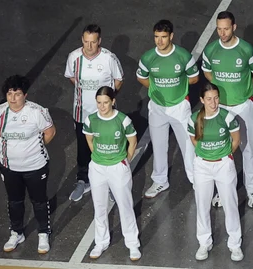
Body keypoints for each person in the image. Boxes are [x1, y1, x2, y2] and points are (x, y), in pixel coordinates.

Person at [199, 11, 253, 209]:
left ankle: (252, 190)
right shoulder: (210, 50)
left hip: (243, 106)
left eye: (226, 28)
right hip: (220, 108)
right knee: (222, 149)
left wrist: (244, 93)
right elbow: (207, 72)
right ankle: (222, 190)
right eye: (219, 29)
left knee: (248, 148)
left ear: (234, 27)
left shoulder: (246, 49)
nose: (222, 32)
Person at [0, 74, 55, 255]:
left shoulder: (37, 112)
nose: (12, 97)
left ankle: (43, 233)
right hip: (9, 167)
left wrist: (34, 149)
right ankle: (16, 232)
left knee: (39, 201)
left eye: (17, 93)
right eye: (10, 93)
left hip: (35, 166)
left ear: (25, 95)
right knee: (14, 202)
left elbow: (49, 132)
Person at [138, 18, 199, 199]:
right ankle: (160, 181)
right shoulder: (148, 57)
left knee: (188, 145)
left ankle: (197, 180)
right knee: (158, 146)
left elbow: (194, 78)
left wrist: (177, 88)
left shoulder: (183, 56)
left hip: (179, 107)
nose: (160, 41)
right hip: (157, 108)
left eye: (163, 37)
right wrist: (156, 89)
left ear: (171, 36)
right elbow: (141, 77)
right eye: (157, 37)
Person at [65, 23, 125, 203]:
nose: (89, 46)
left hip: (105, 116)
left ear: (99, 41)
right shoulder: (74, 57)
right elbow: (71, 77)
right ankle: (83, 181)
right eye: (86, 42)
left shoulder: (109, 58)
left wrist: (108, 98)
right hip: (82, 113)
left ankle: (110, 184)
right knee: (83, 149)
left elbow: (118, 79)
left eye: (93, 42)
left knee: (107, 148)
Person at [83, 84, 141, 262]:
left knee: (125, 206)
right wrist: (99, 158)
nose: (102, 106)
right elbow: (90, 141)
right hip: (98, 169)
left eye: (106, 102)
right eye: (99, 102)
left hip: (118, 167)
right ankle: (101, 242)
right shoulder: (90, 120)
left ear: (113, 101)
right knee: (99, 207)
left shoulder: (123, 120)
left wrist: (126, 160)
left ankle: (132, 244)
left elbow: (132, 141)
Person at [190, 83, 244, 262]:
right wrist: (206, 155)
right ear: (201, 100)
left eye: (216, 98)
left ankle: (235, 244)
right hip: (202, 167)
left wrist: (225, 156)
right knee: (202, 205)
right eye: (209, 99)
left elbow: (236, 140)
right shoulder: (194, 119)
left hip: (223, 166)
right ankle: (204, 242)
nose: (213, 103)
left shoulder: (227, 118)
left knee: (230, 204)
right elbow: (194, 140)